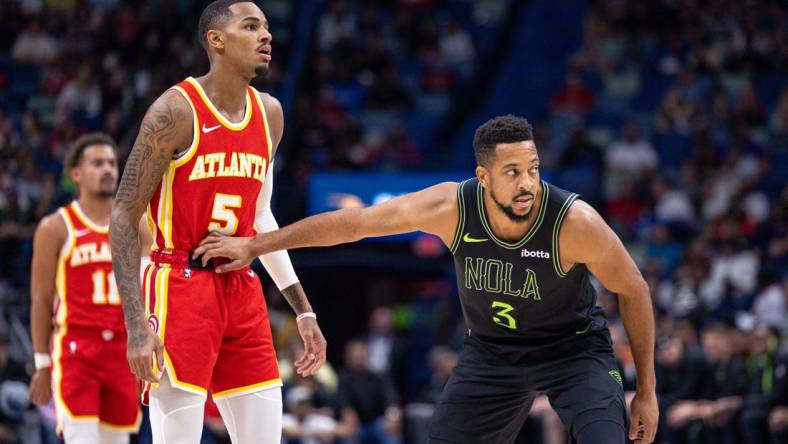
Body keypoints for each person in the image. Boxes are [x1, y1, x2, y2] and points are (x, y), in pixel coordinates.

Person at [194, 115, 660, 443]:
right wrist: (255, 245)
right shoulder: (451, 207)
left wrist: (649, 393)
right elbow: (353, 225)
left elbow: (634, 288)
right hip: (493, 352)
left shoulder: (573, 221)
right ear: (483, 176)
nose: (527, 184)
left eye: (534, 169)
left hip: (572, 349)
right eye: (512, 172)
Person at [108, 1, 327, 443]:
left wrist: (303, 309)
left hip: (241, 288)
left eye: (266, 27)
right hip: (178, 284)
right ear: (217, 40)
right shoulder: (175, 110)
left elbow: (261, 216)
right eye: (250, 26)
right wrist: (135, 325)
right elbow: (122, 214)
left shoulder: (270, 114)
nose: (266, 35)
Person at [28, 133, 149, 443]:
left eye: (111, 163)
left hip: (124, 351)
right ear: (76, 174)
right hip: (77, 350)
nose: (107, 169)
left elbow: (152, 287)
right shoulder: (56, 227)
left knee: (117, 440)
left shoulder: (137, 225)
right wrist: (42, 364)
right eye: (97, 163)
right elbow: (41, 300)